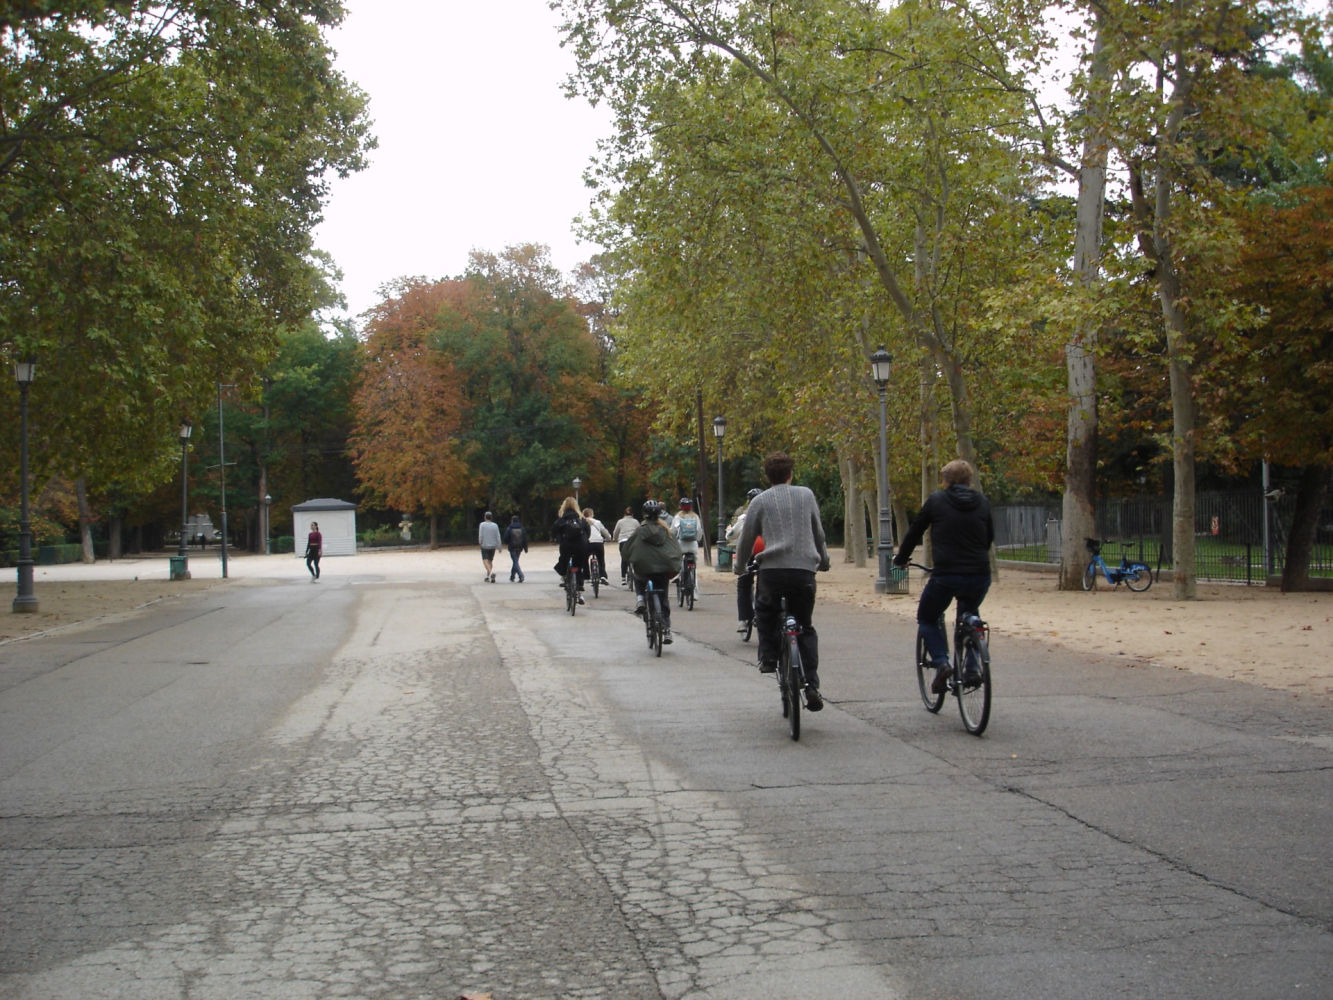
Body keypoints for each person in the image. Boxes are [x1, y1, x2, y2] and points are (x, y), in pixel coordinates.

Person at [736, 454, 831, 709]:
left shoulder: (760, 500)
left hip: (772, 572)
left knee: (765, 611)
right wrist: (824, 559)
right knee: (806, 626)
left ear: (767, 476)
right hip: (803, 571)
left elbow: (746, 539)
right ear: (791, 474)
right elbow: (818, 532)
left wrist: (739, 567)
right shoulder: (806, 495)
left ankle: (768, 657)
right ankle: (811, 684)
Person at [893, 458, 995, 694]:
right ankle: (971, 667)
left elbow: (915, 531)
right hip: (979, 573)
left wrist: (901, 559)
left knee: (927, 617)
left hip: (947, 574)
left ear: (946, 481)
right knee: (969, 612)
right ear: (970, 480)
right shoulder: (982, 502)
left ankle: (941, 662)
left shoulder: (937, 500)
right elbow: (988, 536)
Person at [626, 500, 683, 643]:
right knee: (663, 597)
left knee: (637, 574)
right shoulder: (666, 530)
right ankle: (667, 630)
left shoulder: (640, 531)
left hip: (644, 570)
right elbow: (676, 550)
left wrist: (628, 558)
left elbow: (627, 549)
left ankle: (640, 599)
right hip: (662, 570)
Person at [728, 487, 763, 632]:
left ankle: (743, 619)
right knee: (765, 583)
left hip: (749, 554)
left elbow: (731, 536)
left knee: (743, 584)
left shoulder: (744, 518)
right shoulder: (771, 515)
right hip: (767, 554)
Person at [552, 496, 591, 603]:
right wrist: (585, 540)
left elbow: (554, 531)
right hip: (580, 546)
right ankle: (578, 592)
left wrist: (558, 540)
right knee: (578, 567)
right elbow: (588, 531)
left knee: (564, 561)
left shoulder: (562, 519)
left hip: (567, 545)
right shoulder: (581, 518)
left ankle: (565, 578)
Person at [670, 497, 704, 600]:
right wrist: (697, 539)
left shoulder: (678, 517)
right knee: (693, 569)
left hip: (681, 544)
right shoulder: (695, 517)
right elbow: (699, 531)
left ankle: (678, 576)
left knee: (679, 560)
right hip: (693, 545)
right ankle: (695, 594)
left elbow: (673, 531)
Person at [610, 506, 641, 586]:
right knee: (635, 558)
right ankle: (637, 574)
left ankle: (623, 577)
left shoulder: (620, 521)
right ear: (632, 514)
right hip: (633, 541)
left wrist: (614, 539)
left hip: (623, 541)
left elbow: (616, 531)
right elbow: (639, 531)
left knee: (624, 559)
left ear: (624, 514)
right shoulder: (636, 522)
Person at [583, 507, 613, 584]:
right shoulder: (597, 522)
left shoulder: (582, 522)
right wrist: (609, 538)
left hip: (587, 543)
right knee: (601, 560)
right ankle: (603, 576)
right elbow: (604, 531)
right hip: (598, 543)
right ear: (591, 514)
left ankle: (586, 576)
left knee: (584, 559)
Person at [502, 514, 528, 582]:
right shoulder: (522, 528)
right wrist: (525, 548)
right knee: (515, 561)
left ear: (512, 521)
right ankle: (512, 576)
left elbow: (506, 538)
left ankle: (521, 575)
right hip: (519, 547)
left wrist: (507, 543)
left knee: (515, 562)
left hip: (512, 547)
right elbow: (525, 539)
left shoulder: (509, 528)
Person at [478, 511, 502, 582]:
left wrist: (480, 542)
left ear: (485, 517)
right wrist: (499, 546)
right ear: (491, 517)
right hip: (493, 546)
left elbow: (481, 535)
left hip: (485, 545)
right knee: (490, 561)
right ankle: (488, 577)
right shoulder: (495, 525)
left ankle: (491, 573)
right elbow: (498, 536)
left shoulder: (482, 525)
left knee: (485, 560)